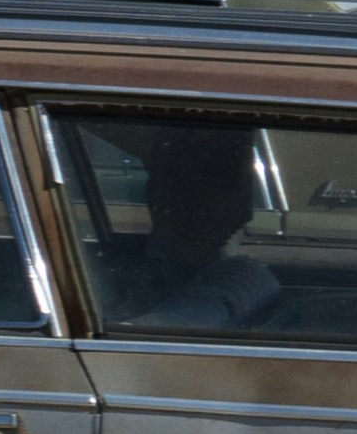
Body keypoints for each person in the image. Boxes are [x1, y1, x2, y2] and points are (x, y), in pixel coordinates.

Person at [117, 130, 290, 333]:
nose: (245, 213)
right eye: (175, 178)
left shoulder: (246, 278)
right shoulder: (118, 265)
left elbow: (187, 319)